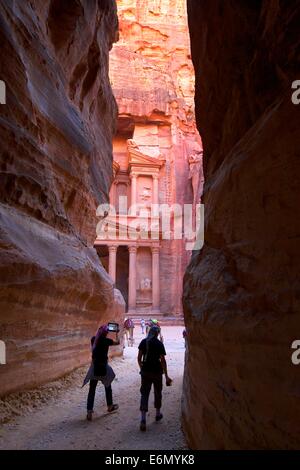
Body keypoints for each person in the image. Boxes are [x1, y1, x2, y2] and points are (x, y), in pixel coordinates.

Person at [137, 325, 172, 431]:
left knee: (144, 394)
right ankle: (157, 414)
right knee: (157, 392)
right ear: (157, 333)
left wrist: (142, 368)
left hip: (146, 372)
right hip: (157, 372)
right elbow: (163, 361)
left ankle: (143, 419)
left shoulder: (144, 342)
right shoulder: (159, 344)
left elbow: (139, 358)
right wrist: (166, 376)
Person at [83, 324, 120, 421]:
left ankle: (89, 412)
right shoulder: (107, 341)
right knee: (108, 386)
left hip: (94, 367)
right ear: (106, 333)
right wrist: (116, 333)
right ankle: (110, 406)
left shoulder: (93, 339)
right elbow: (118, 342)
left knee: (92, 390)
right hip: (104, 367)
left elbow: (96, 339)